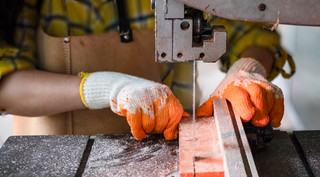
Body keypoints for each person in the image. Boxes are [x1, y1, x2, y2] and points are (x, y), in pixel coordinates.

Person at [0, 0, 295, 140]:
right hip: (59, 159)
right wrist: (110, 89)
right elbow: (7, 86)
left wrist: (247, 70)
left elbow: (250, 34)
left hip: (176, 142)